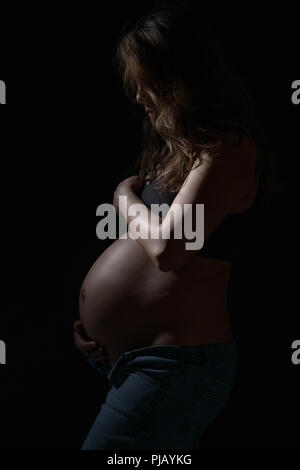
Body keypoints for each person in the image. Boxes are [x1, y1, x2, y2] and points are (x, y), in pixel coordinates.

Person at [73, 0, 270, 450]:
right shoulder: (180, 152)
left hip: (176, 367)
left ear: (184, 79)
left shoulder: (227, 151)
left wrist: (123, 196)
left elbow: (168, 250)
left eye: (149, 85)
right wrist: (100, 326)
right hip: (138, 361)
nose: (140, 97)